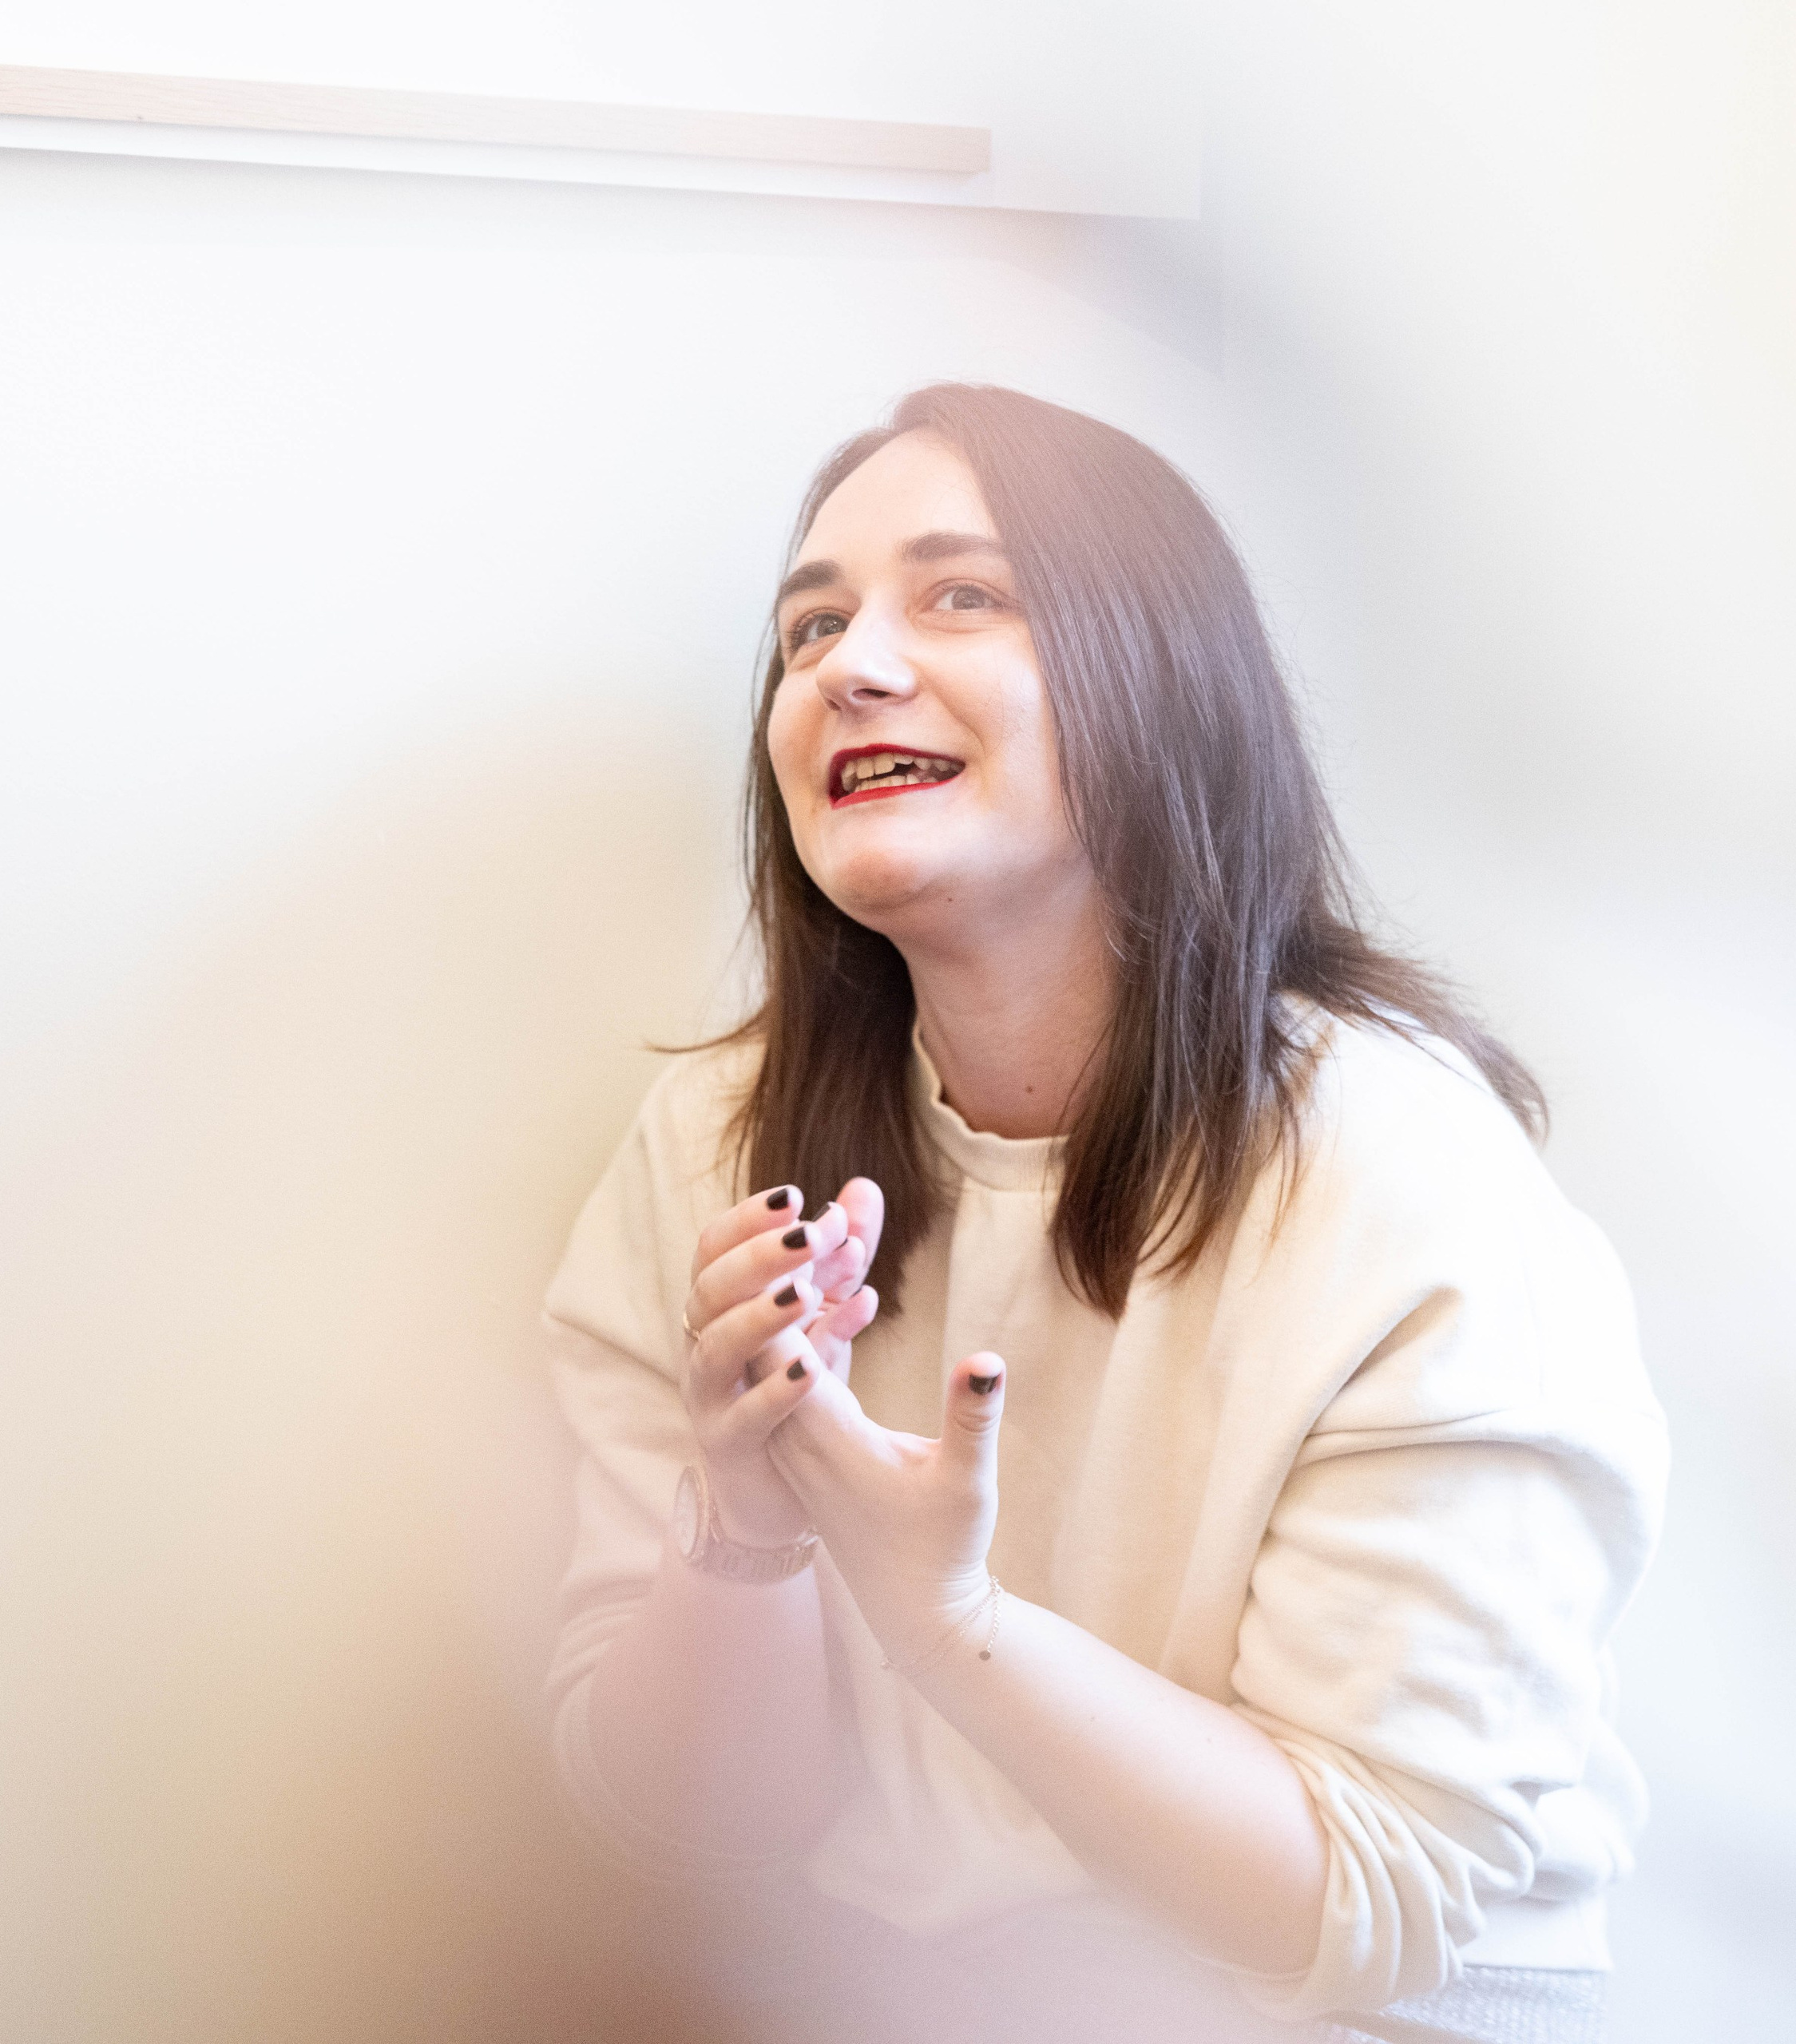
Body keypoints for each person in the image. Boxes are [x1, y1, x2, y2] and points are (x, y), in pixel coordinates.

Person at [542, 384, 1668, 2044]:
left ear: (1158, 679)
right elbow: (693, 1826)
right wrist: (745, 1525)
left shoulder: (1401, 1175)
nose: (849, 663)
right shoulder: (720, 1139)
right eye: (808, 624)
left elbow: (1367, 1900)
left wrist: (950, 1623)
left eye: (960, 594)